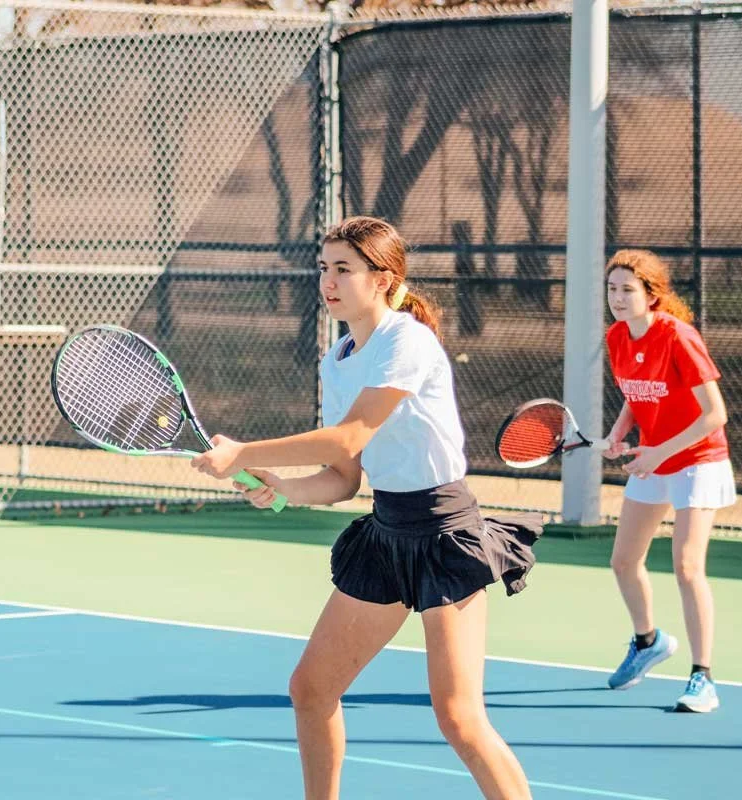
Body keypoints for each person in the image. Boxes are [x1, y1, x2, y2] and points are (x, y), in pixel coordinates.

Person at [191, 216, 540, 799]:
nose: (329, 282)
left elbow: (351, 436)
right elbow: (344, 478)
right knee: (311, 688)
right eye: (323, 269)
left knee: (458, 716)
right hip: (386, 534)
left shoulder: (407, 340)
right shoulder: (337, 359)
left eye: (344, 269)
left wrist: (244, 451)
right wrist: (282, 486)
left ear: (383, 279)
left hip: (444, 534)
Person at [603, 249, 735, 713]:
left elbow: (714, 414)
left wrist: (659, 450)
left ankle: (703, 678)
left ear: (652, 295)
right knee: (623, 561)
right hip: (655, 459)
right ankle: (648, 641)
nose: (617, 298)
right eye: (612, 289)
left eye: (628, 290)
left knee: (686, 566)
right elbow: (635, 393)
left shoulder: (678, 337)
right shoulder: (617, 336)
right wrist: (619, 434)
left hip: (699, 460)